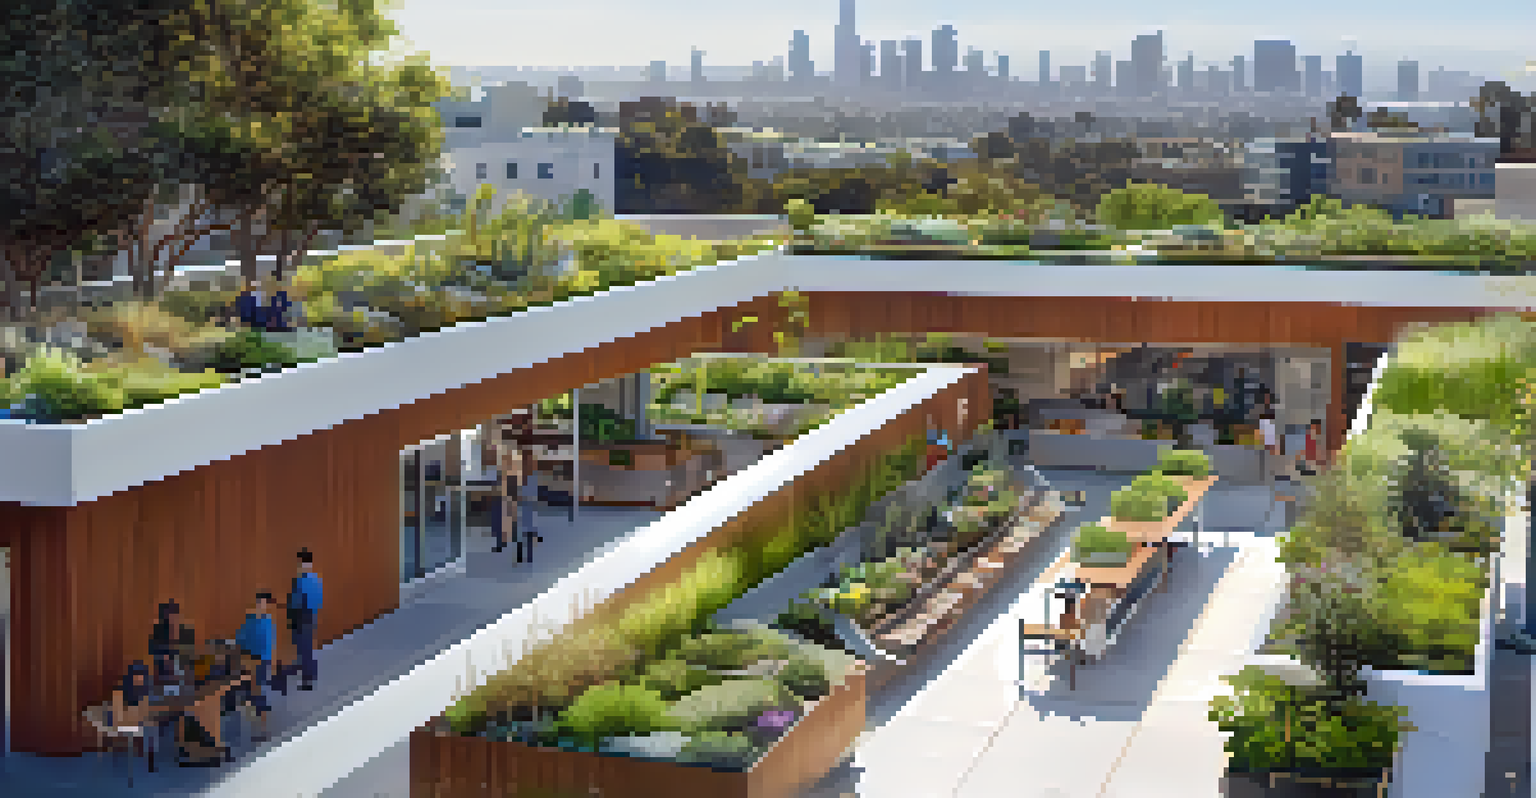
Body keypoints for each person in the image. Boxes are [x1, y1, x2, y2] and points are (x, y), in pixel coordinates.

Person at [275, 549, 323, 693]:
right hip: (311, 616)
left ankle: (307, 680)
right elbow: (318, 600)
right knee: (307, 648)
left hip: (301, 617)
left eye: (299, 562)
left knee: (303, 649)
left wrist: (281, 603)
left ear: (302, 563)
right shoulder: (315, 578)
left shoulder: (301, 580)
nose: (298, 566)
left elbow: (295, 602)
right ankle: (310, 673)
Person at [233, 593, 276, 743]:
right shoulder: (250, 621)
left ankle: (262, 729)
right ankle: (254, 728)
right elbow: (240, 638)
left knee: (259, 696)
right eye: (259, 603)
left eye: (263, 604)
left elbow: (265, 644)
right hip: (248, 661)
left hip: (261, 662)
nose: (261, 606)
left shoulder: (267, 623)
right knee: (250, 697)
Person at [148, 601, 196, 688]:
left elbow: (190, 658)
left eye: (174, 617)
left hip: (184, 681)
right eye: (168, 619)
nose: (172, 621)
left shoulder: (187, 634)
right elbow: (154, 657)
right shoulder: (158, 635)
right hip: (163, 681)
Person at [517, 449, 543, 563]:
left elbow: (534, 492)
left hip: (529, 506)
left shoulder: (533, 475)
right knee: (520, 532)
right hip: (522, 506)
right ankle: (520, 555)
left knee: (528, 531)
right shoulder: (520, 475)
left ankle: (528, 556)